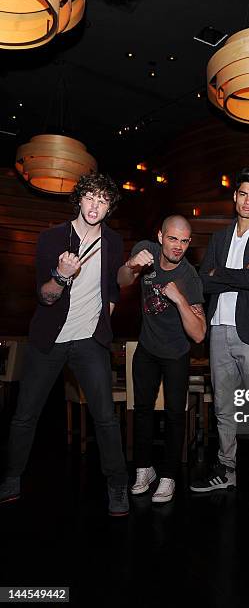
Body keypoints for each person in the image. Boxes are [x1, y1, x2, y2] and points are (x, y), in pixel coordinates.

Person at [0, 172, 129, 516]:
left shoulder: (113, 242)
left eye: (103, 200)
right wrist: (61, 275)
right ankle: (12, 477)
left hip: (90, 341)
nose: (95, 205)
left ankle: (117, 484)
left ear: (109, 207)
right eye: (90, 197)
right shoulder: (51, 238)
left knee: (105, 417)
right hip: (50, 340)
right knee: (25, 415)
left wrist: (107, 316)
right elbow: (44, 297)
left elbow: (112, 286)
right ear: (79, 198)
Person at [190, 167, 249, 514]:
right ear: (235, 196)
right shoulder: (219, 237)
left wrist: (222, 275)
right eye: (243, 193)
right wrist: (237, 276)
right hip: (218, 330)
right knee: (224, 408)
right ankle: (226, 470)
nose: (248, 200)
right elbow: (202, 283)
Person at [118, 215, 205, 503]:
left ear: (189, 243)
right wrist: (132, 265)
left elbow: (199, 335)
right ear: (160, 236)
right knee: (141, 411)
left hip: (176, 354)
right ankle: (144, 469)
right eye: (172, 238)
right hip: (146, 348)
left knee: (174, 415)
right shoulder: (146, 252)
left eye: (183, 240)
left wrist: (180, 300)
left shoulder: (190, 277)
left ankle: (168, 476)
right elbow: (122, 281)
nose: (177, 246)